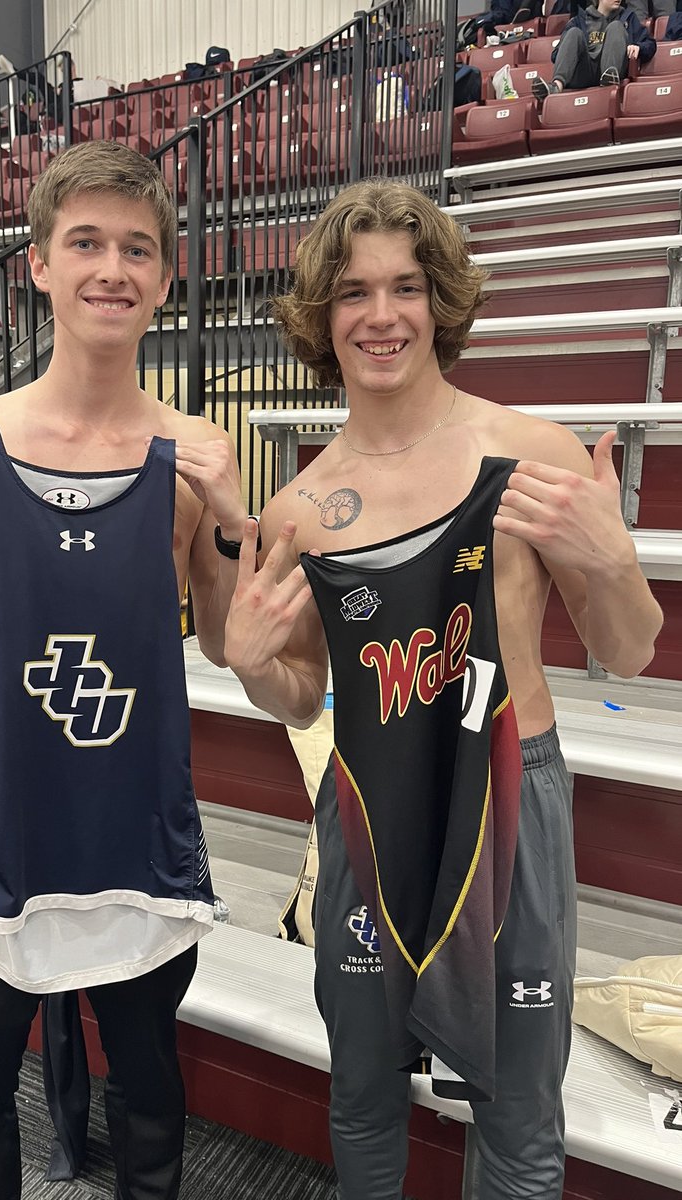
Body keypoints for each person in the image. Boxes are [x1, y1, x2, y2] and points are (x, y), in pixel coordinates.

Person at [222, 178, 663, 1199]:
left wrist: (608, 558)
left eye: (407, 287)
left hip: (510, 800)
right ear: (321, 319)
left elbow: (630, 651)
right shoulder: (297, 508)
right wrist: (249, 662)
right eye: (354, 292)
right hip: (370, 807)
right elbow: (301, 700)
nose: (382, 315)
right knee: (364, 1093)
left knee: (519, 1114)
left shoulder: (531, 454)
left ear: (442, 302)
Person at [0, 139, 248, 1200]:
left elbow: (224, 642)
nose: (110, 269)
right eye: (84, 242)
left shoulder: (194, 452)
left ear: (167, 278)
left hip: (132, 807)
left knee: (149, 1084)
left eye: (136, 249)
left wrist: (233, 528)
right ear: (40, 264)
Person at [533, 0, 655, 99]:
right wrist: (571, 49)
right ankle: (556, 87)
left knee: (616, 26)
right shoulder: (578, 21)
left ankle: (609, 81)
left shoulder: (628, 18)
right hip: (584, 70)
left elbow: (650, 44)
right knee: (574, 33)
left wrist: (639, 47)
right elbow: (555, 55)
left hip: (612, 69)